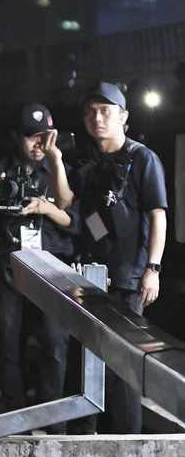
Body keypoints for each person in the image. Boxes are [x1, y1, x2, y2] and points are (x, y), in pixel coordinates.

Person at [45, 81, 167, 434]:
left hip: (129, 276)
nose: (96, 118)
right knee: (87, 360)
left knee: (125, 366)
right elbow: (66, 202)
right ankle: (85, 436)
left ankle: (127, 440)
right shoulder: (90, 163)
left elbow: (157, 214)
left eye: (105, 111)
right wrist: (55, 160)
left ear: (123, 116)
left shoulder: (142, 158)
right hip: (92, 277)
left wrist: (152, 269)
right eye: (90, 112)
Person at [0, 102, 77, 433]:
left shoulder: (56, 166)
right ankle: (15, 421)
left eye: (42, 137)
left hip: (50, 266)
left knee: (54, 342)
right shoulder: (1, 169)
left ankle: (53, 423)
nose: (36, 144)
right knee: (8, 343)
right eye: (30, 137)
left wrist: (54, 167)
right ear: (16, 138)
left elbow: (67, 210)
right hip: (9, 264)